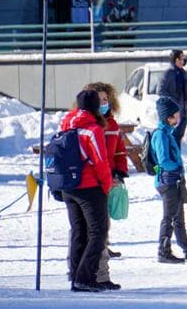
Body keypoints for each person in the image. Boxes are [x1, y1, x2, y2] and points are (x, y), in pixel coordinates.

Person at [61, 90, 113, 292]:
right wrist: (106, 186)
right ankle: (85, 277)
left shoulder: (67, 123)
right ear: (94, 107)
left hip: (68, 187)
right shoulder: (92, 129)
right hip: (89, 187)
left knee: (78, 231)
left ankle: (75, 275)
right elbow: (100, 161)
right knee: (98, 232)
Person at [84, 82, 128, 290]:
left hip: (108, 180)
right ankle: (98, 274)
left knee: (101, 229)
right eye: (100, 99)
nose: (103, 103)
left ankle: (93, 273)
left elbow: (119, 151)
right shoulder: (88, 124)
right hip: (93, 183)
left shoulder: (112, 124)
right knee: (94, 230)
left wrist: (120, 171)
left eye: (106, 99)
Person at [154, 97, 187, 264]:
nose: (178, 118)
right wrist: (176, 166)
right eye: (176, 115)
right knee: (169, 217)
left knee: (178, 217)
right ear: (168, 117)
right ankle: (163, 250)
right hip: (167, 180)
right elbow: (164, 160)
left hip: (175, 180)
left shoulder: (168, 132)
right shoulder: (160, 135)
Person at [158, 49, 187, 146]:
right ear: (177, 59)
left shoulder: (182, 72)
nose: (184, 60)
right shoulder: (168, 73)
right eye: (182, 58)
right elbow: (160, 91)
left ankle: (177, 158)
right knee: (171, 139)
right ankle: (172, 159)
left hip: (184, 111)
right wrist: (172, 104)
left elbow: (186, 90)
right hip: (174, 114)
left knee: (178, 138)